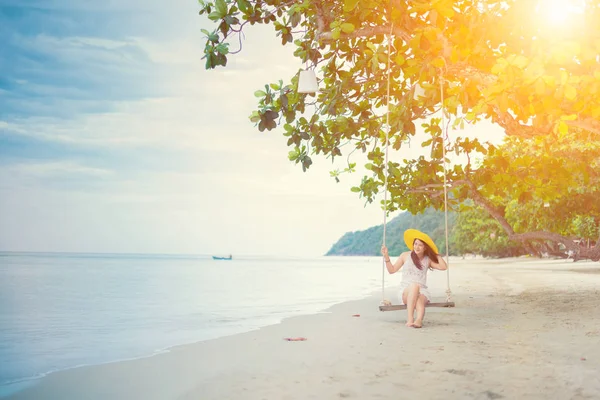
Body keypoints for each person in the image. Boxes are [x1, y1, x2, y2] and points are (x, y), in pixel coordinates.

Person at [381, 229, 447, 328]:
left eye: (420, 245)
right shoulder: (405, 256)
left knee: (419, 298)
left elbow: (443, 267)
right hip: (406, 291)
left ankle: (418, 320)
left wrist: (436, 253)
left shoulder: (427, 259)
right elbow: (392, 270)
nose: (417, 247)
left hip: (422, 291)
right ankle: (410, 318)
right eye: (415, 244)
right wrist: (386, 256)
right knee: (414, 286)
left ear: (425, 247)